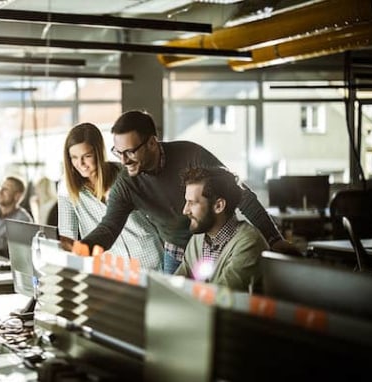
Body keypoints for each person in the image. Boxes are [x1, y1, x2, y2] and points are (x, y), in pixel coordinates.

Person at [78, 110, 299, 274]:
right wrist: (81, 249)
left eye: (130, 152)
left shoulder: (190, 154)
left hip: (216, 243)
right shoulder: (126, 184)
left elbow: (241, 194)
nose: (124, 161)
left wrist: (273, 238)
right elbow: (108, 228)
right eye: (118, 152)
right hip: (176, 253)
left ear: (152, 143)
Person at [58, 122, 163, 270]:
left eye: (87, 156)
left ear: (99, 153)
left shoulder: (125, 174)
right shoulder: (66, 187)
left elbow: (156, 215)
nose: (80, 163)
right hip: (110, 269)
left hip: (149, 260)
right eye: (74, 157)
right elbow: (68, 237)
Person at [175, 167, 268, 291]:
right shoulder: (198, 239)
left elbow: (221, 299)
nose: (185, 210)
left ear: (218, 206)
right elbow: (175, 286)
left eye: (192, 203)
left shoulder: (249, 242)